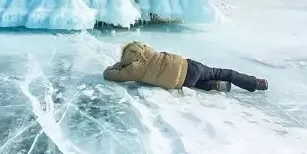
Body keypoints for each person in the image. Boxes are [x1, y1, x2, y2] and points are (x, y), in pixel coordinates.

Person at [103, 41, 268, 93]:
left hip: (182, 82)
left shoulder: (132, 71)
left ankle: (212, 86)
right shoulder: (148, 50)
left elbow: (109, 75)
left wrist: (119, 65)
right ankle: (256, 83)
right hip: (190, 66)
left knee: (195, 84)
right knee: (224, 72)